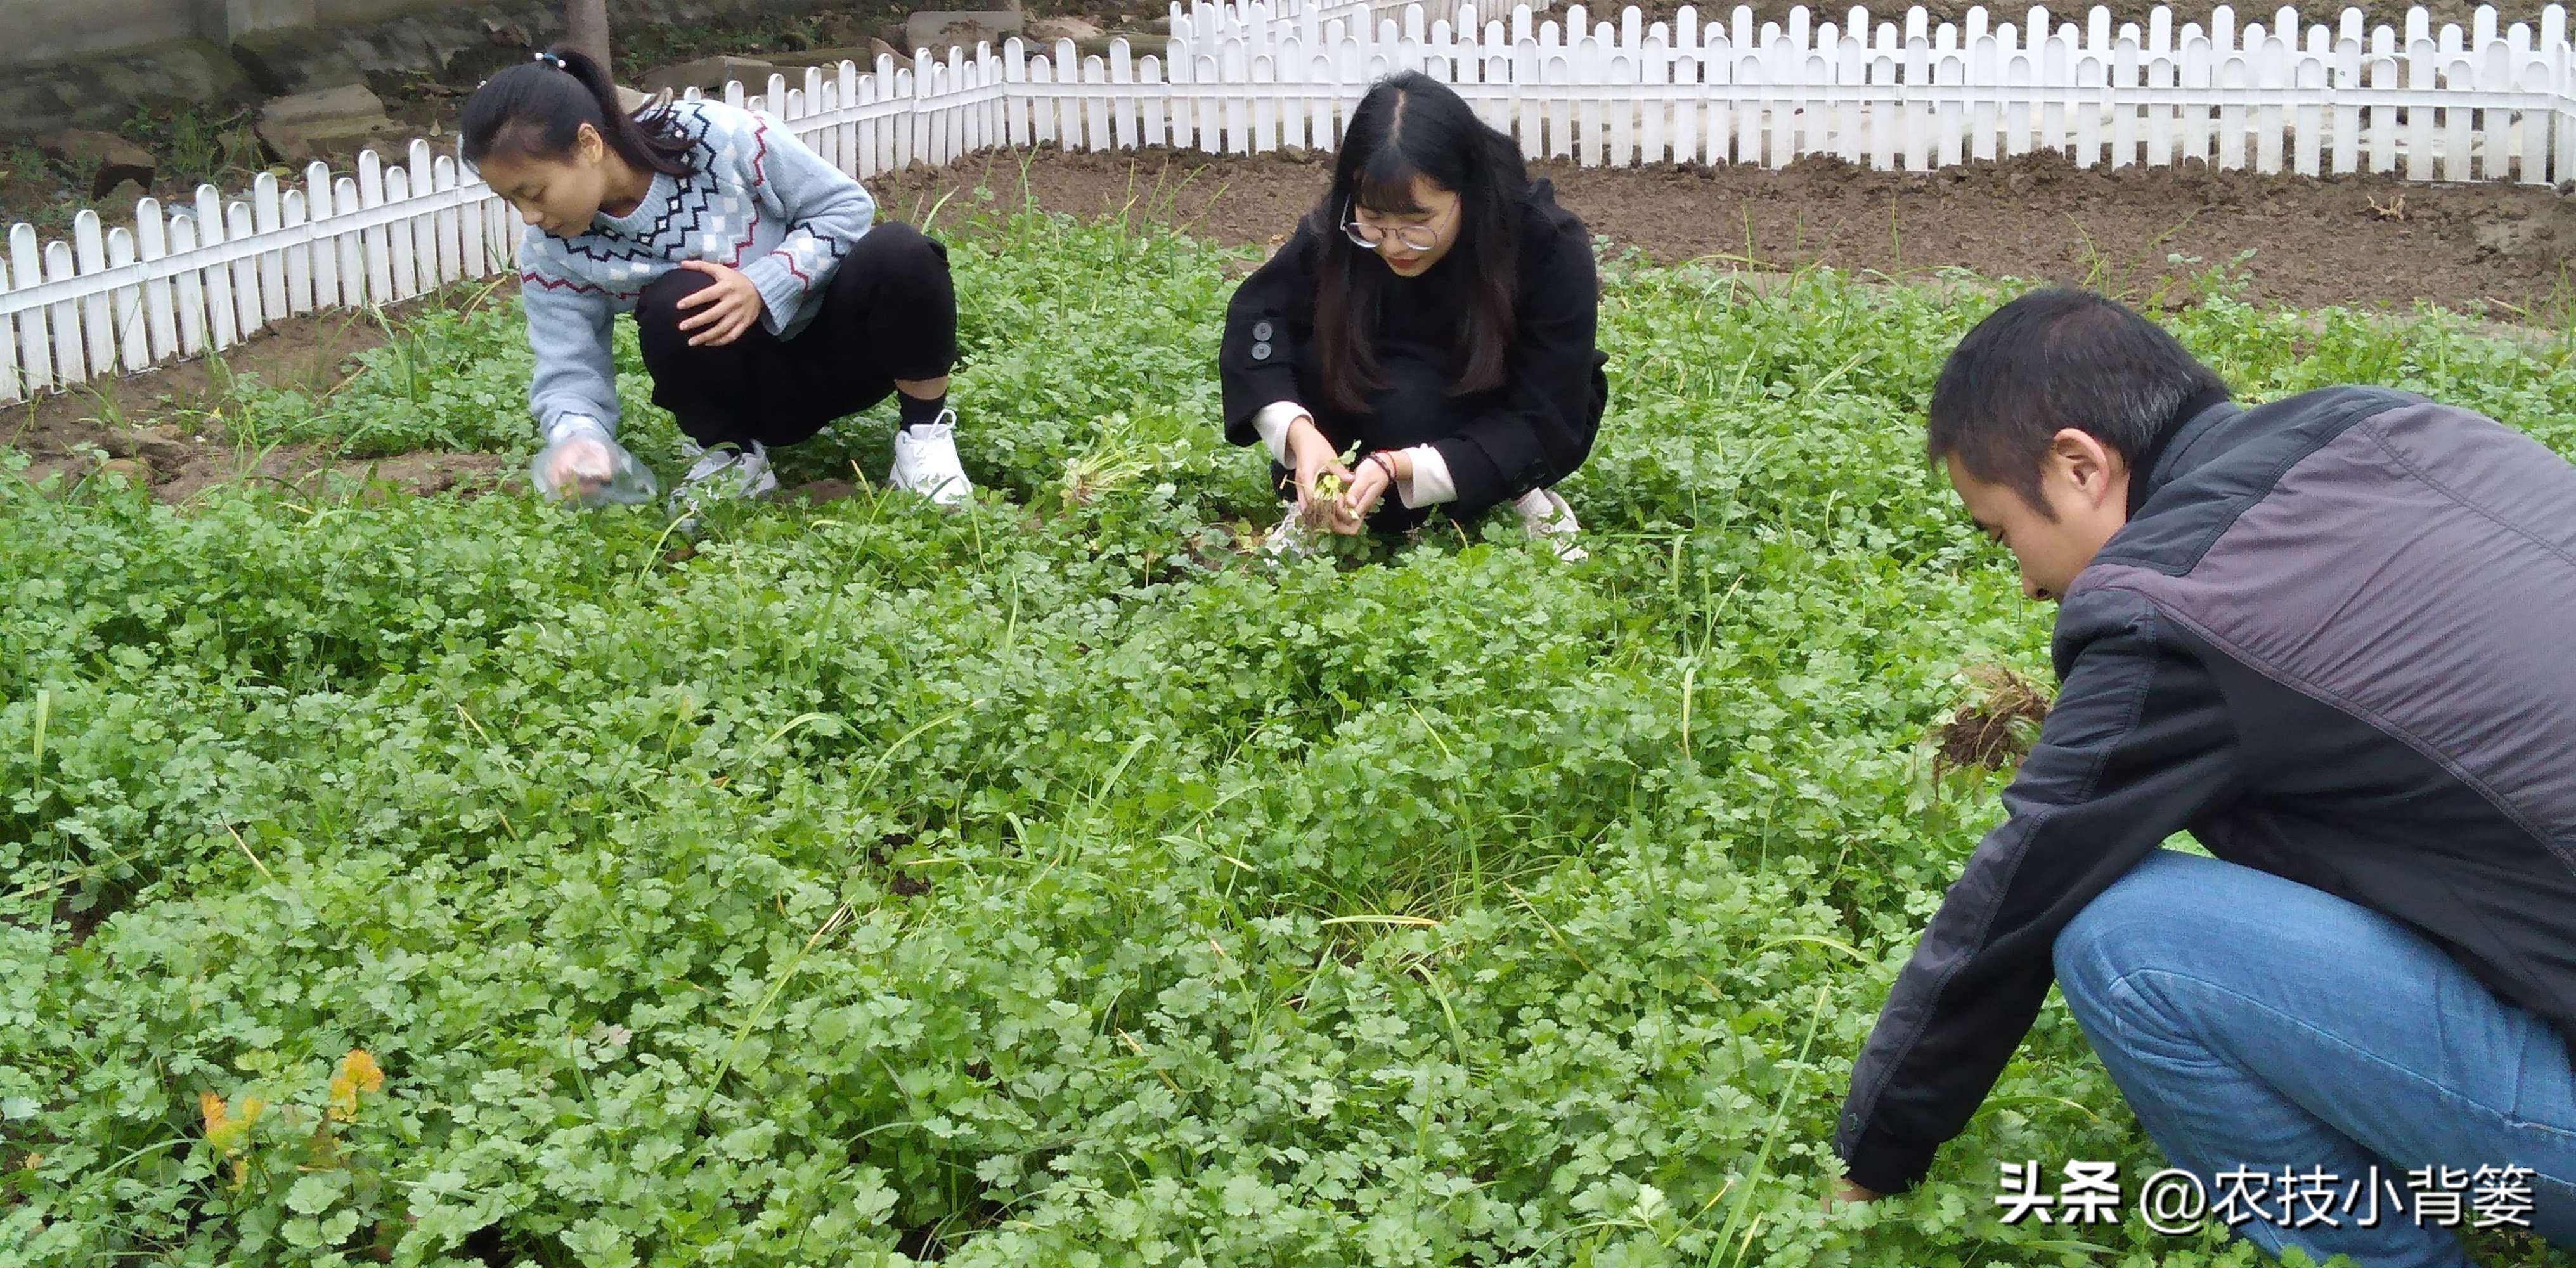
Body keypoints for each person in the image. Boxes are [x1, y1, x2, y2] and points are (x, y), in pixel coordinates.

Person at [1827, 287, 2576, 1267]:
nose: (2021, 582)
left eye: (1999, 532)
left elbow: (2017, 896)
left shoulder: (2173, 602)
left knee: (2127, 941)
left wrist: (1866, 1164)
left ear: (2078, 464)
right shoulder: (2393, 423)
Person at [460, 46, 973, 521]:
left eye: (534, 191)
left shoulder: (717, 137)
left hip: (849, 357)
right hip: (749, 392)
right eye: (512, 201)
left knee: (901, 251)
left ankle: (923, 438)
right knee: (674, 297)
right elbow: (568, 367)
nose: (529, 216)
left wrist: (761, 284)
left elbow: (845, 207)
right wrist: (578, 440)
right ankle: (732, 457)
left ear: (588, 144)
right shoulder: (553, 252)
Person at [1218, 71, 1607, 562]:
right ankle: (1326, 493)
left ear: (1466, 191)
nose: (1393, 245)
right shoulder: (1339, 227)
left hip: (1492, 408)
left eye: (1418, 223)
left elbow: (1550, 404)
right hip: (1378, 398)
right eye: (1374, 223)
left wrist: (1399, 464)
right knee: (1326, 362)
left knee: (1463, 425)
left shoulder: (1546, 243)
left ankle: (1512, 494)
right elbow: (1260, 316)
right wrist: (1300, 436)